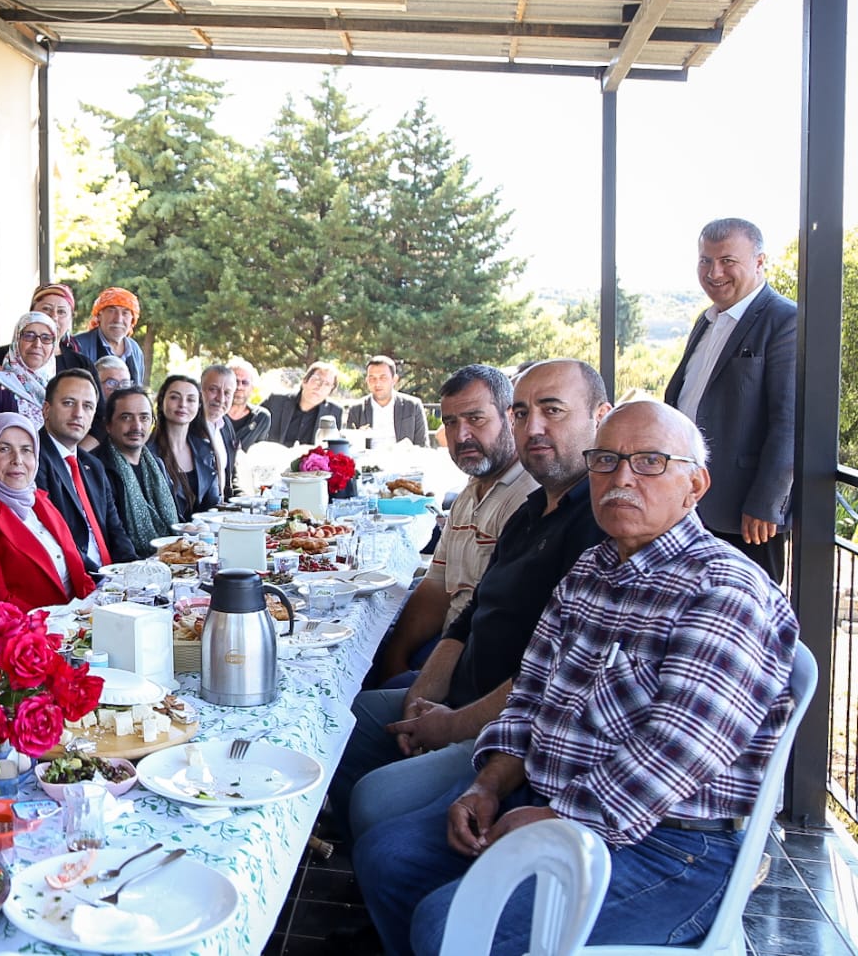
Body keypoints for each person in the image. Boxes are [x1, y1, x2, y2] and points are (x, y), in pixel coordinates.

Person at [357, 400, 799, 956]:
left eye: (650, 463)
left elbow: (678, 753)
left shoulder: (722, 591)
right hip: (555, 800)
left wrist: (556, 819)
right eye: (606, 460)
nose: (622, 478)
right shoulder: (591, 572)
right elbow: (531, 698)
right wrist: (487, 785)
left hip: (671, 847)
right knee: (389, 860)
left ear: (696, 484)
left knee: (450, 925)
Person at [330, 360, 609, 843]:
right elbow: (463, 619)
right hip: (464, 692)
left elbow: (549, 678)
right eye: (524, 414)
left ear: (599, 418)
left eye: (553, 410)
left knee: (374, 804)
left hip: (508, 728)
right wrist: (424, 696)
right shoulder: (530, 512)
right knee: (338, 722)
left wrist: (451, 724)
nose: (534, 427)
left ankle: (389, 858)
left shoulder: (598, 526)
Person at [372, 365, 536, 686]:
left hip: (474, 665)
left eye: (476, 419)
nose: (461, 435)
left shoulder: (529, 497)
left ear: (511, 416)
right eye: (450, 422)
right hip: (444, 641)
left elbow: (504, 631)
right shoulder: (471, 490)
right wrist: (394, 658)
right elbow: (437, 588)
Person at [664, 217, 797, 582]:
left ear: (759, 262)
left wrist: (767, 504)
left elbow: (790, 422)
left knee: (745, 616)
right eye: (705, 261)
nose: (714, 272)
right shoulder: (705, 321)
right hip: (688, 503)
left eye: (727, 261)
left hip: (744, 513)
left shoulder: (785, 320)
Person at [0, 413, 97, 611]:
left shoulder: (36, 498)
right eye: (4, 449)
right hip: (31, 631)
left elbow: (79, 573)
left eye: (26, 450)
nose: (17, 460)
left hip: (77, 619)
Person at [33, 370, 134, 571]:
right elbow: (54, 539)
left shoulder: (92, 465)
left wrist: (133, 569)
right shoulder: (33, 460)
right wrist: (102, 578)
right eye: (68, 403)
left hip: (111, 580)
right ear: (46, 409)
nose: (78, 413)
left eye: (87, 406)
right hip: (75, 581)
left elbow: (115, 529)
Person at [91, 384, 180, 560]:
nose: (136, 426)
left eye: (144, 417)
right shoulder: (96, 468)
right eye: (126, 417)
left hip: (169, 560)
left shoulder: (157, 464)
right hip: (127, 567)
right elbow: (112, 535)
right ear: (108, 425)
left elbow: (175, 519)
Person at [149, 375, 221, 520]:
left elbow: (213, 504)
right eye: (175, 397)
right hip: (165, 539)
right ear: (162, 401)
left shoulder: (206, 450)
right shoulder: (147, 452)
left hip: (202, 536)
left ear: (199, 405)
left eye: (191, 399)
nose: (183, 404)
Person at [0, 283, 91, 377]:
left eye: (61, 312)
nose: (54, 317)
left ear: (71, 318)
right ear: (31, 313)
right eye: (46, 309)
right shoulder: (1, 356)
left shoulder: (81, 365)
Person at [0, 310, 58, 428]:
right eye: (29, 336)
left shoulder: (57, 389)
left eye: (46, 338)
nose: (37, 344)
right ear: (16, 340)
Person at [346, 355, 429, 448]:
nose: (377, 383)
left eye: (383, 378)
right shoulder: (356, 409)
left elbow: (423, 445)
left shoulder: (412, 406)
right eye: (372, 378)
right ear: (367, 381)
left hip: (403, 459)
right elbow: (349, 446)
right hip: (368, 460)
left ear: (394, 379)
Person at [70, 287, 146, 381]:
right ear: (99, 315)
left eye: (125, 313)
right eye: (111, 311)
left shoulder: (135, 349)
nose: (118, 319)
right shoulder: (77, 346)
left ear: (132, 320)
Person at [263, 361, 344, 447]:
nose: (320, 387)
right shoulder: (276, 401)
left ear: (330, 391)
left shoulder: (334, 412)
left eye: (327, 384)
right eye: (317, 380)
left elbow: (333, 447)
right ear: (304, 381)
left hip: (311, 459)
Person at [78, 354, 131, 451]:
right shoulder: (81, 415)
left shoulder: (134, 422)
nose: (119, 389)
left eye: (125, 384)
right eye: (111, 383)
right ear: (95, 385)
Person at [201, 364, 239, 497]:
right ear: (200, 390)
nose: (221, 398)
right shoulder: (188, 428)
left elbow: (231, 471)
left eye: (227, 393)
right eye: (213, 390)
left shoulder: (226, 425)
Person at [226, 357, 272, 450]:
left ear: (252, 387)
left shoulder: (261, 418)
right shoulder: (212, 414)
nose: (239, 387)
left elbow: (257, 453)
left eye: (245, 382)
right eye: (235, 381)